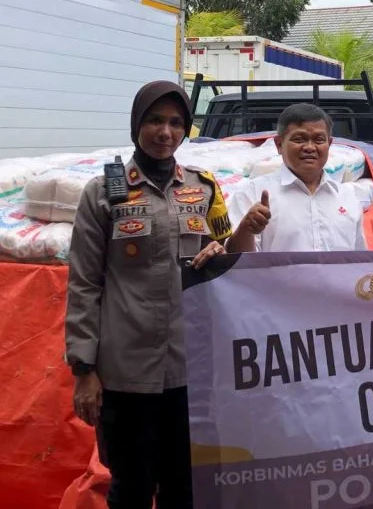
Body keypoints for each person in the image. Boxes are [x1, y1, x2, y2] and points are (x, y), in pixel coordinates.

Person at [65, 81, 235, 509]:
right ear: (136, 125)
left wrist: (222, 251)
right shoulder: (103, 192)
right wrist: (84, 367)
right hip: (126, 371)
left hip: (190, 370)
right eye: (155, 121)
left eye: (176, 123)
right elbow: (84, 281)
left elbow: (228, 256)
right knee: (132, 488)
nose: (166, 132)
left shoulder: (204, 188)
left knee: (186, 486)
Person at [227, 103, 367, 252]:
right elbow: (236, 263)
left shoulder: (347, 197)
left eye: (319, 140)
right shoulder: (252, 193)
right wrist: (246, 229)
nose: (309, 147)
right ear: (279, 144)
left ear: (329, 144)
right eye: (299, 139)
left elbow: (359, 262)